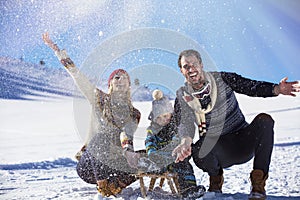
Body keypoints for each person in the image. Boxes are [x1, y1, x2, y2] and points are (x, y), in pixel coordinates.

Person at [172, 49, 300, 199]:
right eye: (186, 66)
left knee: (264, 120)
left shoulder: (222, 79)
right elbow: (185, 122)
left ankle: (258, 183)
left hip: (242, 142)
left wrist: (277, 89)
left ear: (201, 64)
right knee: (199, 149)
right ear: (181, 70)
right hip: (217, 151)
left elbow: (250, 86)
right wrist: (185, 142)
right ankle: (215, 178)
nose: (191, 69)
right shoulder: (183, 95)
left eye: (194, 64)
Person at [42, 33, 141, 197]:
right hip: (90, 164)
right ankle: (103, 188)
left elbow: (127, 135)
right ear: (110, 84)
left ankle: (116, 184)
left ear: (129, 85)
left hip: (114, 163)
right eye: (117, 77)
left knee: (145, 157)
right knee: (101, 138)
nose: (120, 80)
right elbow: (78, 77)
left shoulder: (134, 114)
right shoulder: (99, 99)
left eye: (124, 78)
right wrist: (59, 52)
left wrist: (131, 154)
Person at [145, 89, 205, 198]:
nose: (163, 120)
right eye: (159, 117)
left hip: (174, 156)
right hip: (160, 157)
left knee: (184, 165)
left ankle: (189, 188)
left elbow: (178, 139)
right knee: (157, 163)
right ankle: (159, 168)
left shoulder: (175, 127)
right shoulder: (152, 130)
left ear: (171, 114)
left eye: (165, 116)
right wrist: (152, 152)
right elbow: (150, 141)